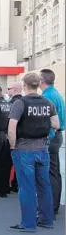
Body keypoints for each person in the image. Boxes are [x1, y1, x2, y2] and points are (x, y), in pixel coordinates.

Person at [8, 72, 59, 231]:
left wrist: (12, 146)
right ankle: (46, 220)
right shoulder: (48, 102)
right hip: (42, 149)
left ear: (25, 85)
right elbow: (56, 124)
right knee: (44, 186)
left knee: (27, 187)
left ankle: (28, 224)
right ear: (38, 85)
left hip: (24, 149)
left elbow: (12, 128)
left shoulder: (21, 103)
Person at [39, 68, 65, 216]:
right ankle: (54, 204)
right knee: (54, 171)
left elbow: (49, 121)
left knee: (50, 172)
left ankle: (51, 206)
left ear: (42, 81)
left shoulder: (47, 96)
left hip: (51, 136)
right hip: (57, 135)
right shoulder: (55, 94)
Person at [6, 82, 23, 192]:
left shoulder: (12, 103)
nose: (7, 91)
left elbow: (8, 122)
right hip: (24, 136)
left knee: (10, 162)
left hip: (13, 135)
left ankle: (11, 184)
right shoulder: (25, 102)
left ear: (15, 89)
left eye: (9, 88)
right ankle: (18, 183)